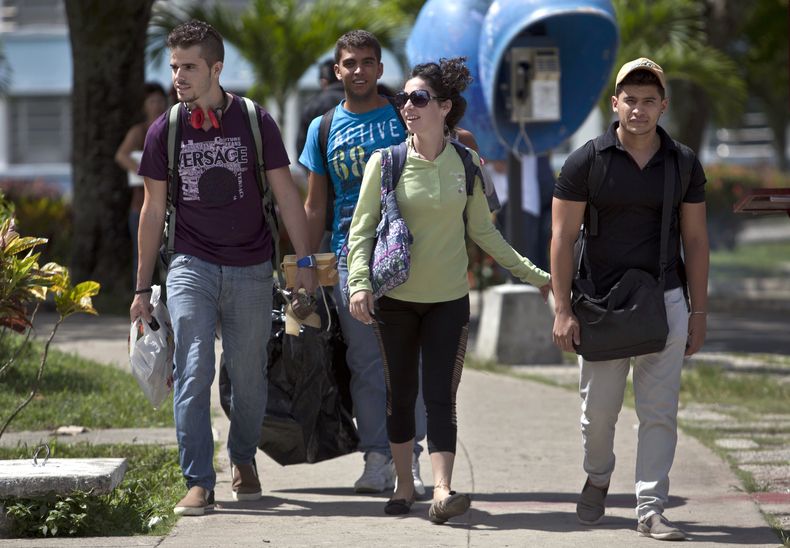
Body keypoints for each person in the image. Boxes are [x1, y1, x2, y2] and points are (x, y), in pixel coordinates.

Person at [346, 57, 551, 521]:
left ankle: (441, 489)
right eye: (403, 98)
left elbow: (485, 233)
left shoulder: (468, 163)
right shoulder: (387, 161)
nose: (407, 106)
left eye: (418, 98)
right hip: (396, 301)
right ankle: (403, 486)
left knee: (440, 395)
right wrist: (359, 285)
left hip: (449, 302)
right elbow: (361, 231)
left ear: (444, 107)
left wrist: (539, 278)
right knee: (400, 394)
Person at [130, 19, 317, 516]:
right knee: (192, 368)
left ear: (216, 68)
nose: (179, 77)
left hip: (253, 266)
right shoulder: (164, 130)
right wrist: (143, 286)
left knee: (249, 375)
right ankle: (198, 481)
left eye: (189, 67)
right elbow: (152, 212)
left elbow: (285, 194)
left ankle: (242, 458)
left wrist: (303, 262)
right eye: (174, 67)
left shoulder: (256, 121)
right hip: (190, 264)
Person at [550, 57, 709, 541]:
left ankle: (650, 507)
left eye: (649, 101)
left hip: (665, 301)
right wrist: (562, 308)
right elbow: (561, 237)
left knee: (659, 412)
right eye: (630, 100)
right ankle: (598, 476)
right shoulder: (586, 161)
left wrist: (698, 312)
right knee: (597, 415)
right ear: (615, 103)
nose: (638, 110)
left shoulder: (682, 162)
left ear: (663, 105)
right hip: (599, 306)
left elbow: (697, 241)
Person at [299, 30, 429, 497]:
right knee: (365, 363)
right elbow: (315, 205)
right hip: (351, 259)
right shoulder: (324, 127)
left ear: (379, 69)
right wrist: (304, 267)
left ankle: (408, 460)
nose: (358, 70)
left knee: (407, 361)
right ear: (337, 71)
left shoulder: (404, 111)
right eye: (349, 63)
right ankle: (377, 459)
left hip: (409, 255)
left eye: (367, 62)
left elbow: (444, 151)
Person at [114, 82, 168, 289]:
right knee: (142, 259)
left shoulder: (172, 127)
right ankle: (141, 300)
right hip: (141, 206)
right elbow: (121, 155)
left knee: (170, 260)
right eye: (151, 101)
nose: (156, 105)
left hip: (171, 208)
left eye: (159, 100)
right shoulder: (139, 131)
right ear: (145, 105)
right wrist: (145, 171)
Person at [296, 58, 346, 158]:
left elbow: (302, 146)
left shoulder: (313, 104)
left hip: (321, 168)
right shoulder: (358, 101)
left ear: (323, 82)